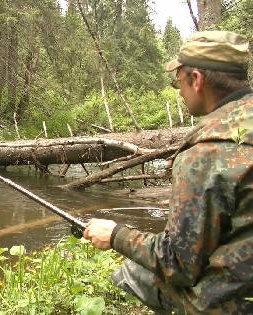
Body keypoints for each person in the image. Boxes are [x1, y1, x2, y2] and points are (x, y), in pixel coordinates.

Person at [83, 30, 253, 314]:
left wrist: (115, 235)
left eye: (179, 82)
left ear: (196, 80)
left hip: (236, 303)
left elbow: (178, 264)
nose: (180, 91)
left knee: (133, 272)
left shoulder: (206, 153)